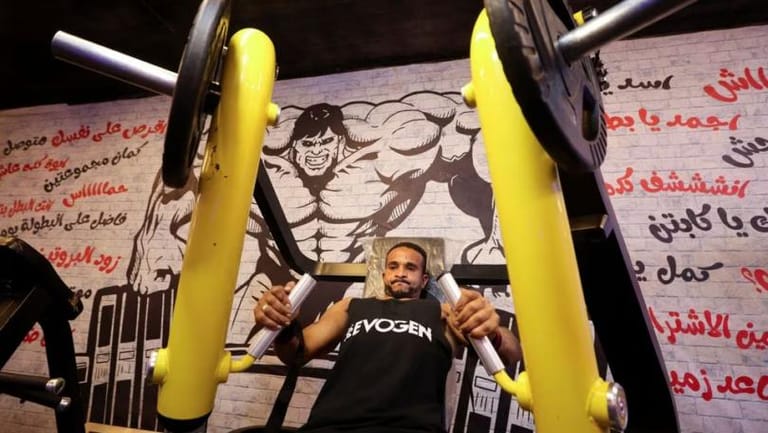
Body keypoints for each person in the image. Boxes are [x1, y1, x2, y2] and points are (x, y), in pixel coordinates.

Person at [254, 241, 522, 433]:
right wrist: (283, 324)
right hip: (330, 426)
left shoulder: (443, 313)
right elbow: (296, 353)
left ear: (424, 279)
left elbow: (511, 353)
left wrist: (491, 331)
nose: (401, 272)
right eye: (393, 266)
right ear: (384, 275)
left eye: (410, 267)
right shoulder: (350, 306)